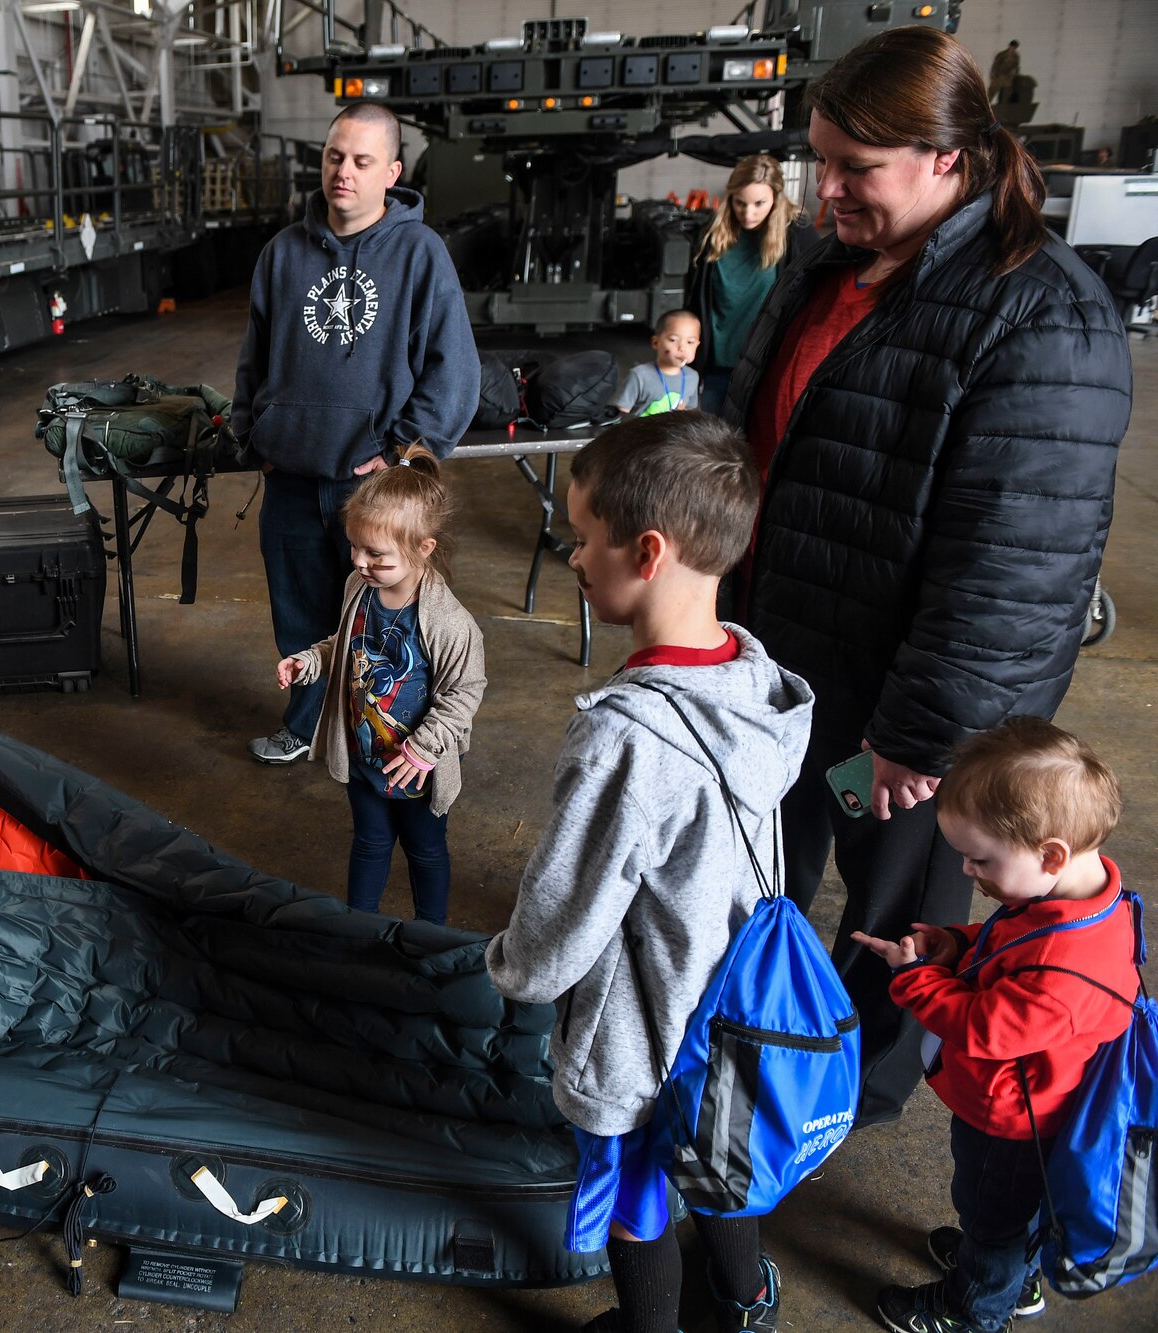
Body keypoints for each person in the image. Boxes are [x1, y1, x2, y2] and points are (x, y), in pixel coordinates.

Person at [720, 25, 1130, 1130]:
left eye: (853, 168)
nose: (824, 190)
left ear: (946, 159)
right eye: (819, 160)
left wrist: (919, 737)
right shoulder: (830, 265)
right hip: (779, 661)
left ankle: (868, 1084)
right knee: (766, 862)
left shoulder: (1040, 315)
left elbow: (1012, 567)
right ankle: (756, 1026)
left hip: (889, 711)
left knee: (898, 893)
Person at [486, 413, 813, 1333]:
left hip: (647, 1029)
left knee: (638, 1194)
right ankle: (746, 1301)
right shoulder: (752, 681)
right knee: (720, 1160)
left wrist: (513, 966)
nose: (575, 555)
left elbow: (568, 906)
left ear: (649, 549)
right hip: (735, 1010)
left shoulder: (628, 734)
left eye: (585, 536)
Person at [851, 718, 1139, 1333]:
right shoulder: (1075, 899)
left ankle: (976, 1308)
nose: (966, 873)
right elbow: (1011, 941)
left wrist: (917, 979)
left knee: (990, 1212)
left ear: (1051, 854)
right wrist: (958, 943)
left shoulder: (1065, 969)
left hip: (1010, 1118)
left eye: (979, 859)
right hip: (1030, 1104)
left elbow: (984, 1029)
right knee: (1009, 1212)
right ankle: (1010, 1267)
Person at [232, 100, 478, 766]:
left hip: (368, 484)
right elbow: (254, 357)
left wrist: (402, 454)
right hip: (290, 475)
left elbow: (453, 369)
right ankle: (307, 722)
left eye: (362, 161)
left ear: (391, 171)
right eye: (334, 156)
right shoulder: (283, 252)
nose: (343, 172)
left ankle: (391, 733)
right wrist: (253, 437)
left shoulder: (420, 253)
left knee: (384, 620)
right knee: (298, 612)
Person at [274, 450, 485, 925]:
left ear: (422, 549)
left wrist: (423, 750)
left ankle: (431, 934)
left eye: (376, 555)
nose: (359, 562)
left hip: (419, 768)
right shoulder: (358, 588)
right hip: (367, 754)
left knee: (425, 851)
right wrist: (311, 660)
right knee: (369, 843)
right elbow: (344, 645)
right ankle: (358, 929)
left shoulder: (451, 623)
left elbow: (464, 694)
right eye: (355, 548)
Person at [684, 156, 812, 415]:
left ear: (776, 198)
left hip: (766, 367)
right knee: (714, 444)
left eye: (759, 203)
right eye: (740, 203)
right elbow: (695, 299)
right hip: (716, 365)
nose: (748, 213)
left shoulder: (798, 235)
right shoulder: (712, 234)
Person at [612, 309, 702, 418]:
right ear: (656, 342)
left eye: (690, 342)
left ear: (697, 345)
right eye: (673, 340)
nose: (682, 348)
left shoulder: (693, 377)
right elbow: (620, 414)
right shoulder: (639, 376)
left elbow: (690, 411)